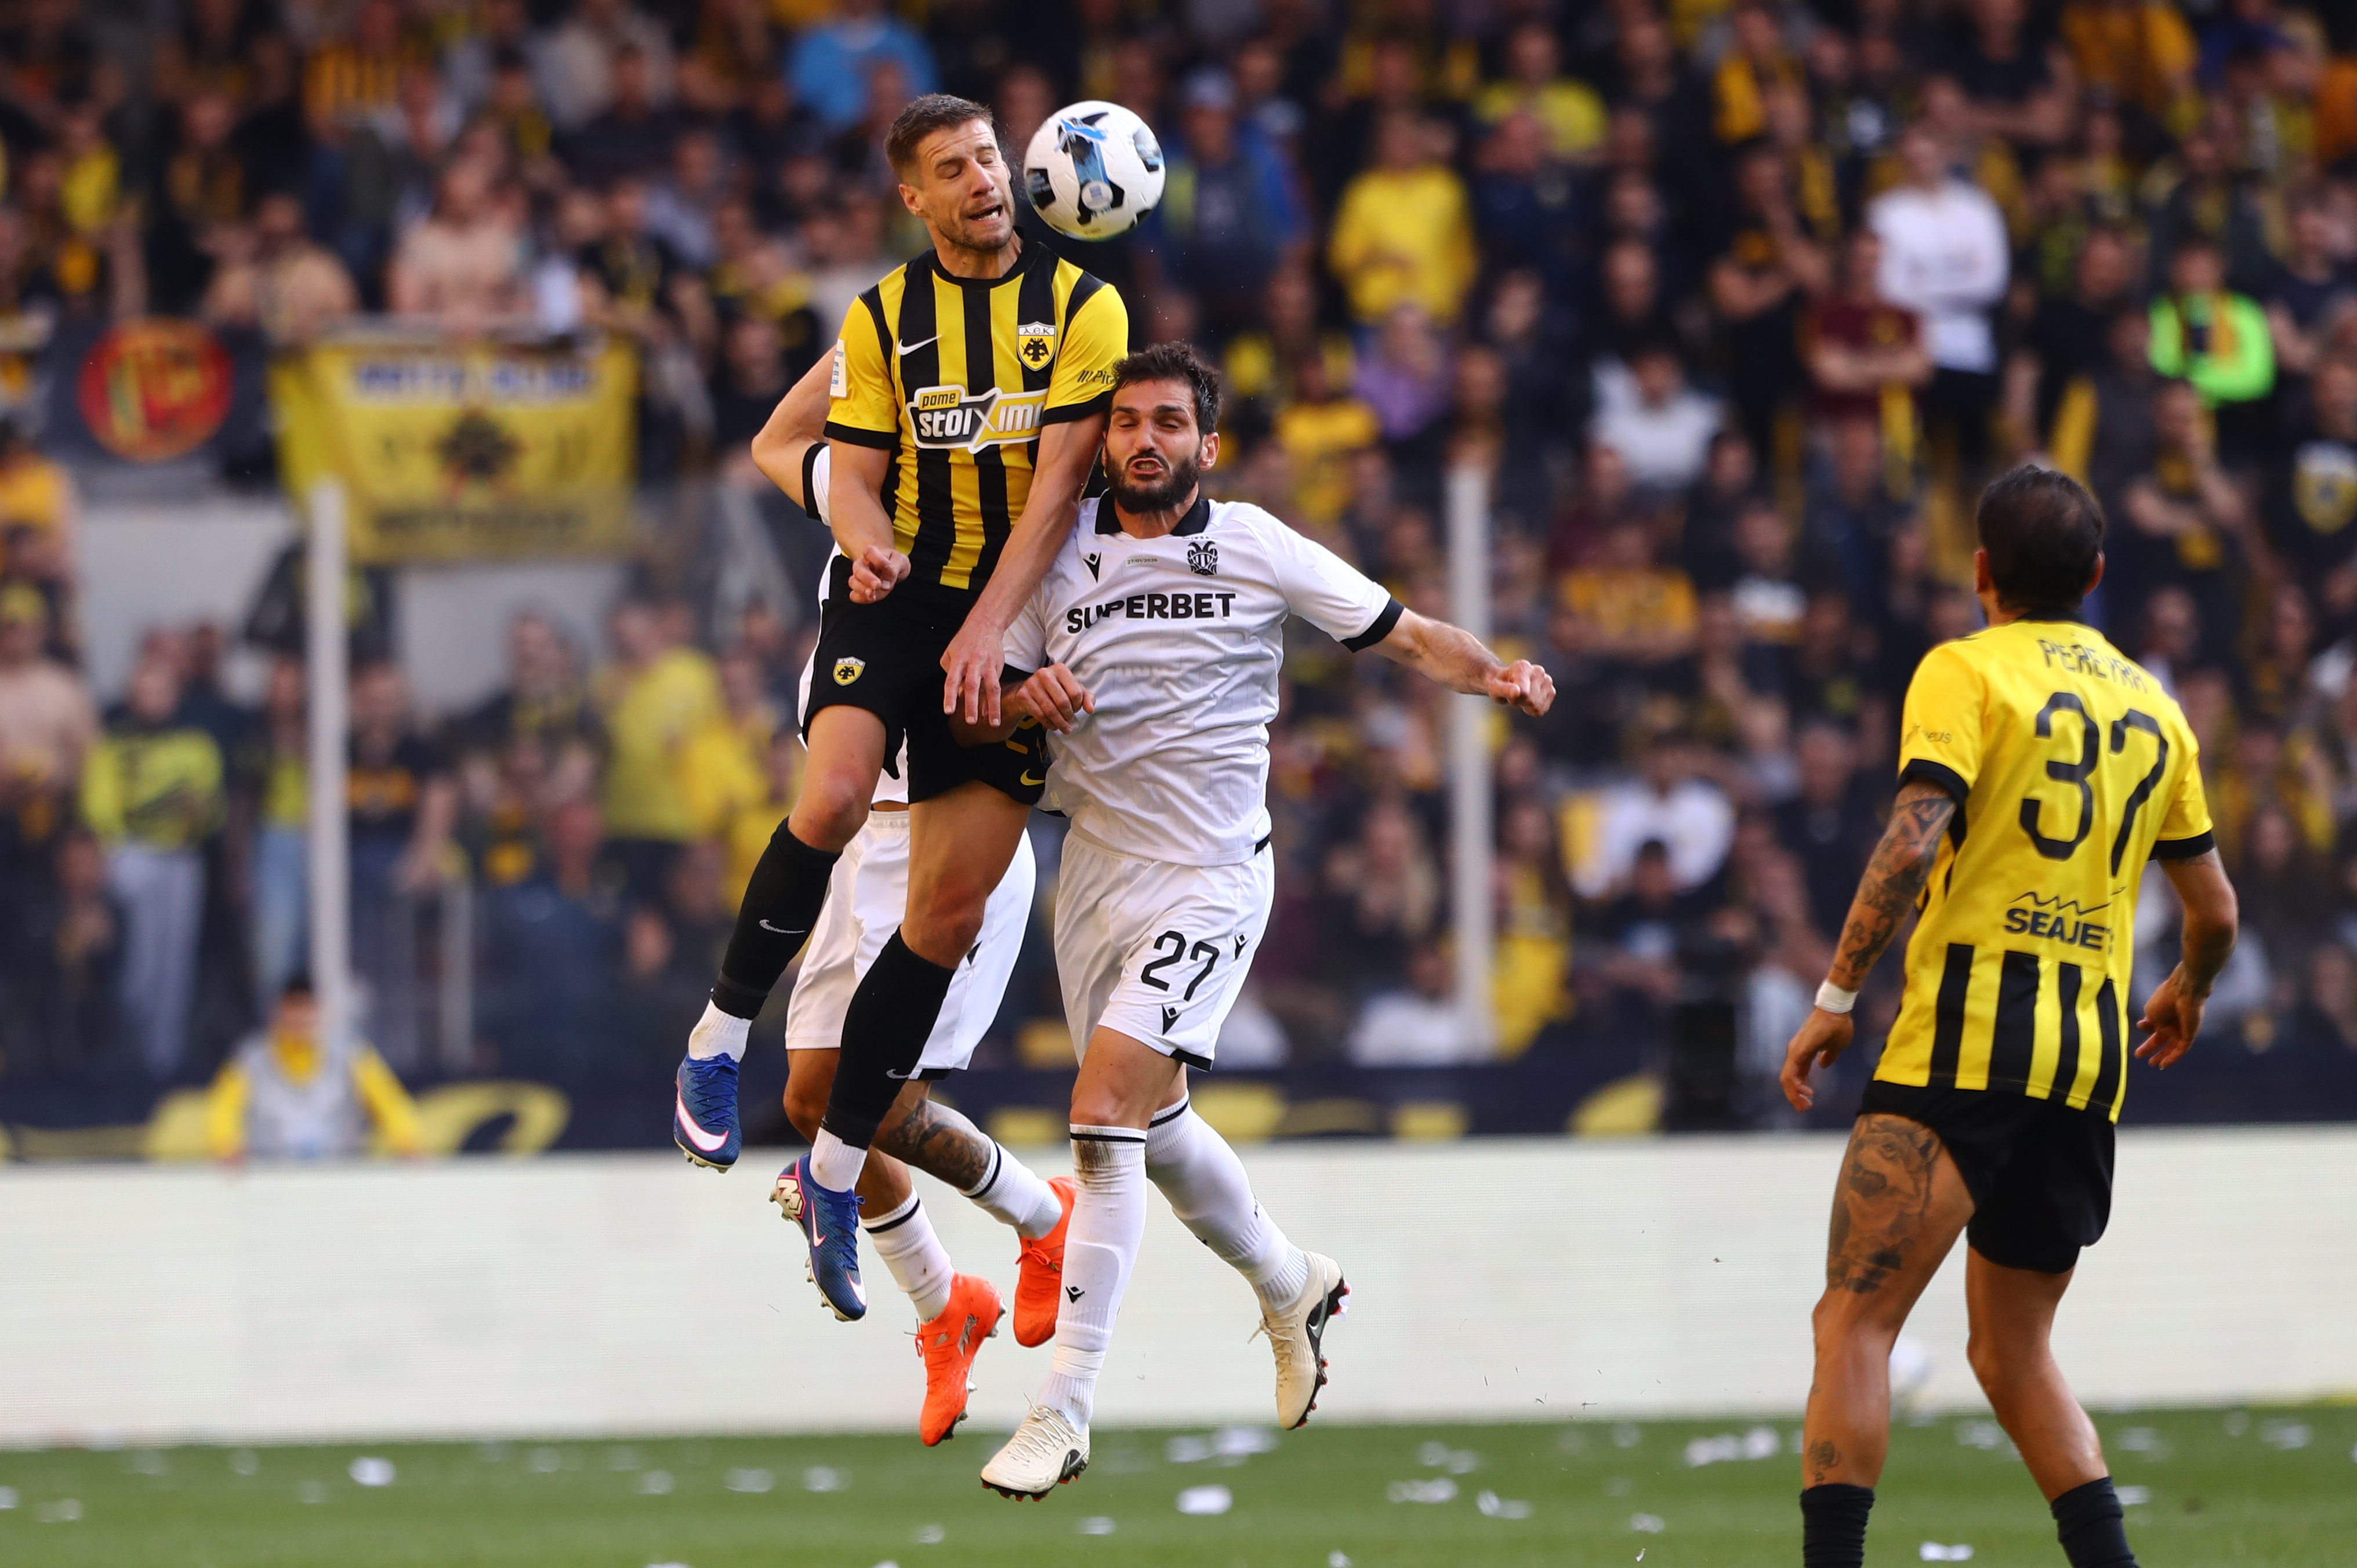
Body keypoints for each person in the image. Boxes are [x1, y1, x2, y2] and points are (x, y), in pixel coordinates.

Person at [967, 342, 1554, 1498]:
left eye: (1166, 421)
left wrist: (1492, 674)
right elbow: (981, 708)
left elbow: (1402, 629)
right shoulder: (1055, 555)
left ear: (1207, 443)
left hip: (1212, 876)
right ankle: (1291, 1280)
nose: (1143, 439)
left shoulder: (1251, 542)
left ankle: (1062, 1406)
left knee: (1099, 1114)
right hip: (1093, 875)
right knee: (1153, 1127)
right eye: (1125, 421)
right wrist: (1023, 698)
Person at [676, 94, 1124, 1327]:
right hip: (903, 609)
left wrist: (996, 635)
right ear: (911, 196)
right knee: (825, 797)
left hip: (1006, 627)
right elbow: (821, 460)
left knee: (925, 952)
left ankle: (889, 1221)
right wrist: (866, 537)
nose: (981, 178)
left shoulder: (1083, 308)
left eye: (988, 156)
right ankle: (714, 1038)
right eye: (951, 166)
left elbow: (1057, 489)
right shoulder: (882, 318)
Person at [1778, 466, 2238, 1568]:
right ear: (2095, 573)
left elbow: (1911, 842)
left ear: (1980, 569)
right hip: (2086, 1062)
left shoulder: (1965, 669)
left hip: (1965, 1043)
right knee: (2013, 1351)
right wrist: (2188, 988)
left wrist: (1835, 997)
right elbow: (2215, 911)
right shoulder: (2155, 708)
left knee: (1853, 1320)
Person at [686, 350, 1078, 1449]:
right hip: (860, 841)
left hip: (956, 837)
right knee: (815, 1099)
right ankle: (946, 1304)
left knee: (880, 1105)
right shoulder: (867, 508)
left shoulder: (1021, 545)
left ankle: (1043, 1217)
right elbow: (777, 439)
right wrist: (889, 331)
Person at [205, 974, 425, 1161]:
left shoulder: (351, 1054)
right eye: (293, 1008)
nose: (300, 1018)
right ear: (279, 1011)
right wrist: (226, 1145)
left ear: (319, 1011)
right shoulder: (252, 1059)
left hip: (340, 1176)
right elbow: (224, 1108)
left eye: (306, 1008)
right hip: (271, 1177)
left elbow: (389, 1101)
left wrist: (407, 1140)